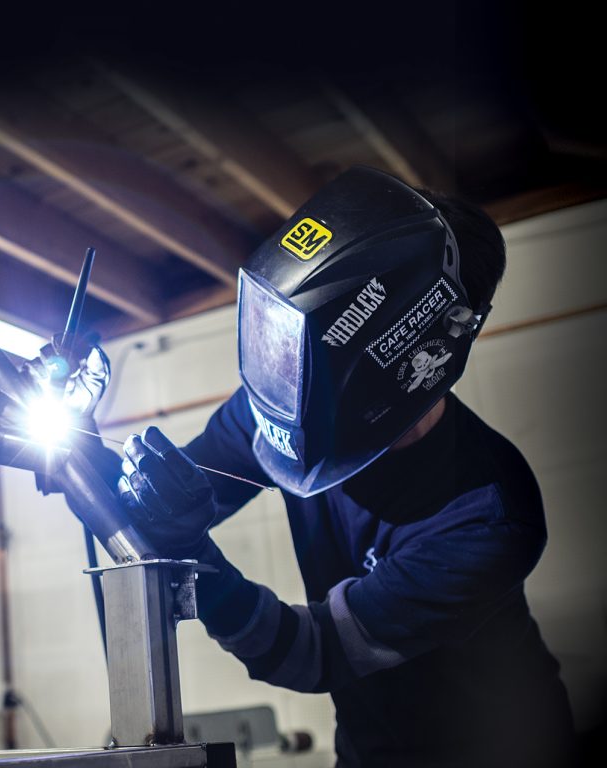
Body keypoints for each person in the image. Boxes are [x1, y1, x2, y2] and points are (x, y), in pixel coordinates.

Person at [31, 167, 576, 767]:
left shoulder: (489, 516)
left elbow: (312, 652)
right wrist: (81, 437)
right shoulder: (293, 399)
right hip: (368, 750)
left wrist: (198, 558)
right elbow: (160, 502)